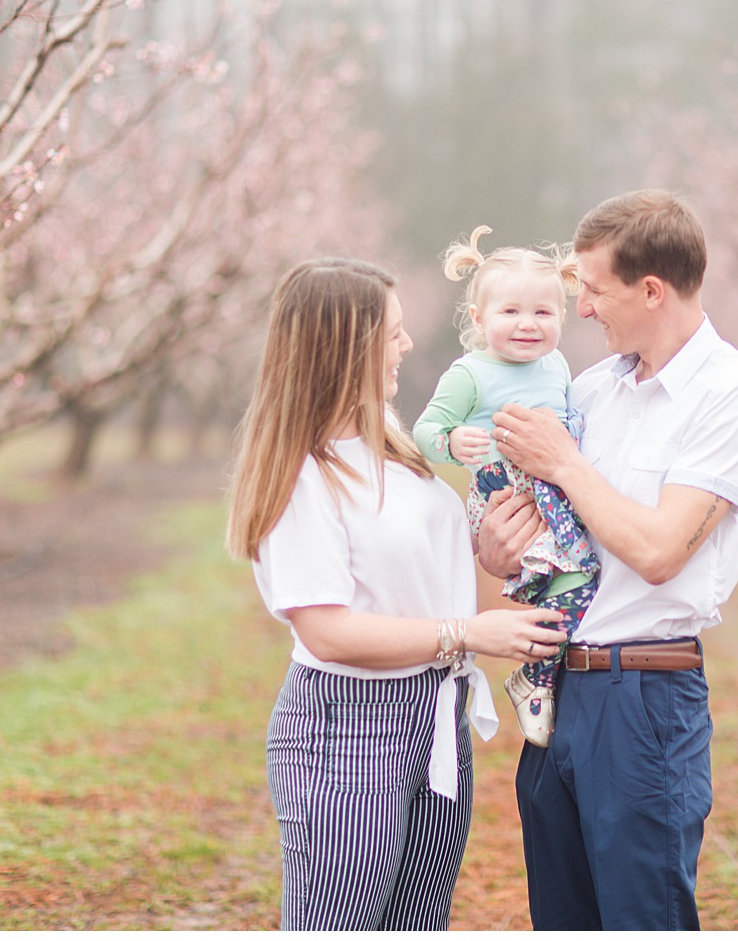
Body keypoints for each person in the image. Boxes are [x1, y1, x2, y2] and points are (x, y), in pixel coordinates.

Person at [224, 257, 562, 931]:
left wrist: (488, 556)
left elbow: (419, 576)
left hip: (434, 718)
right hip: (347, 728)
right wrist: (466, 635)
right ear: (347, 347)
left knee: (417, 923)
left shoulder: (392, 443)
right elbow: (326, 629)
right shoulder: (305, 472)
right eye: (394, 333)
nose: (406, 346)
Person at [476, 189, 738, 931]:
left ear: (651, 290)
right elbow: (525, 552)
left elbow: (657, 551)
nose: (578, 310)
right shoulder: (590, 390)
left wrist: (567, 462)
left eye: (592, 289)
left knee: (642, 917)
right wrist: (496, 545)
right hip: (557, 691)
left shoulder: (731, 397)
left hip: (644, 701)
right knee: (563, 918)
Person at [411, 226, 599, 749]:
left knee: (580, 585)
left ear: (562, 316)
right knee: (569, 581)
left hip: (555, 494)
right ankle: (537, 678)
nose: (527, 324)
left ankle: (536, 676)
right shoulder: (470, 374)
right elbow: (426, 430)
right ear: (478, 319)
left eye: (543, 312)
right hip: (503, 493)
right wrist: (455, 441)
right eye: (510, 312)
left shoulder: (558, 365)